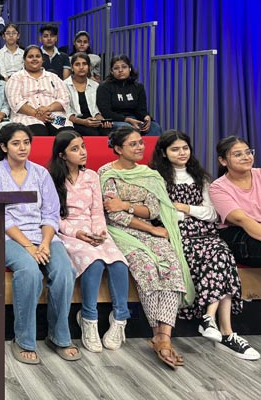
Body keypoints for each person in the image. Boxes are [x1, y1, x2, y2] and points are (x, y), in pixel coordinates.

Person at [150, 131, 258, 359]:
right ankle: (224, 331)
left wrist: (184, 208)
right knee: (215, 256)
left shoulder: (201, 177)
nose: (182, 153)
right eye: (175, 149)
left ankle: (210, 319)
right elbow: (161, 213)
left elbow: (212, 214)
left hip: (207, 232)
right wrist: (188, 212)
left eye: (185, 148)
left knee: (222, 253)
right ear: (164, 153)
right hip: (178, 235)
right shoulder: (156, 178)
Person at [0, 123, 78, 364]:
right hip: (8, 236)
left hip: (42, 234)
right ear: (4, 147)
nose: (22, 148)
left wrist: (44, 243)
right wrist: (28, 246)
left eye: (26, 142)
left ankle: (58, 336)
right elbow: (0, 216)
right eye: (16, 143)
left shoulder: (41, 173)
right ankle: (23, 339)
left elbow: (51, 213)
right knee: (29, 272)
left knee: (65, 272)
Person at [99, 127, 194, 370]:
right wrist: (149, 227)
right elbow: (114, 215)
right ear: (118, 148)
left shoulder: (150, 175)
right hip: (121, 232)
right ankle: (156, 333)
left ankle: (165, 337)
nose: (140, 147)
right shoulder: (107, 174)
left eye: (141, 142)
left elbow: (153, 209)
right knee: (147, 267)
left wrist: (126, 205)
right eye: (133, 144)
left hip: (148, 229)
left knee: (172, 266)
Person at [49, 131, 130, 354]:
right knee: (94, 262)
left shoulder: (92, 176)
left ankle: (120, 319)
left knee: (118, 263)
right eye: (75, 149)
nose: (82, 152)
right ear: (62, 155)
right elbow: (54, 217)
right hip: (68, 232)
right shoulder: (52, 179)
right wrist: (78, 233)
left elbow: (97, 211)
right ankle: (88, 318)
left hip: (94, 229)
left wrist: (99, 232)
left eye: (83, 146)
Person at [210, 136, 261, 284]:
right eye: (238, 154)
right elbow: (242, 220)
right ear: (223, 161)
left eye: (248, 152)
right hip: (241, 236)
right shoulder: (217, 188)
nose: (246, 157)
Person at [5, 45, 73, 137]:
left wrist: (48, 108)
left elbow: (65, 99)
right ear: (24, 60)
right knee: (39, 133)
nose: (34, 59)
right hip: (27, 117)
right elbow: (15, 102)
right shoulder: (16, 78)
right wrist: (36, 114)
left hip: (54, 115)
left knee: (68, 134)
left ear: (42, 59)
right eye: (30, 57)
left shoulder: (53, 77)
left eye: (38, 56)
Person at [96, 55, 161, 136]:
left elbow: (141, 110)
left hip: (134, 118)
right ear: (112, 72)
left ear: (130, 69)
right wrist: (127, 120)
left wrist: (146, 117)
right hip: (115, 120)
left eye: (124, 67)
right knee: (128, 129)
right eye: (116, 68)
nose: (120, 70)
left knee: (155, 127)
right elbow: (106, 112)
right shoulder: (104, 87)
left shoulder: (138, 87)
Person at [65, 53, 111, 136]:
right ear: (72, 67)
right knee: (92, 133)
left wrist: (101, 120)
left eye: (84, 64)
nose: (81, 67)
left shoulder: (95, 85)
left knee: (108, 132)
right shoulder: (64, 85)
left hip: (93, 120)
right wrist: (83, 122)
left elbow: (97, 109)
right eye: (77, 64)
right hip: (74, 121)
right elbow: (66, 112)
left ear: (89, 67)